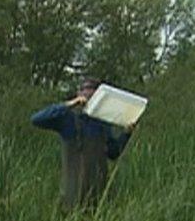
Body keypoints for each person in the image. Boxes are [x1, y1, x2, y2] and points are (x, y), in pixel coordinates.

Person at [31, 78, 136, 211]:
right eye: (85, 90)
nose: (88, 94)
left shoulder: (103, 122)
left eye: (92, 92)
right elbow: (37, 119)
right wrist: (69, 104)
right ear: (79, 93)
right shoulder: (67, 119)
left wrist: (127, 134)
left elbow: (113, 153)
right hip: (71, 197)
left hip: (98, 197)